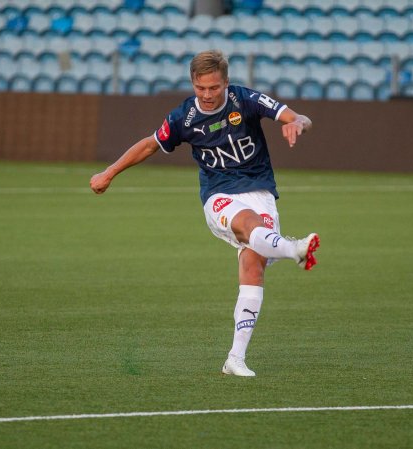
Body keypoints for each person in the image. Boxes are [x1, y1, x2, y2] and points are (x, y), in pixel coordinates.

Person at [89, 50, 320, 377]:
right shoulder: (184, 118)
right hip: (219, 196)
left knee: (254, 265)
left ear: (226, 82)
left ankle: (235, 358)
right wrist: (110, 172)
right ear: (193, 84)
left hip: (260, 192)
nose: (208, 95)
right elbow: (150, 144)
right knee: (249, 226)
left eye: (214, 88)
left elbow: (299, 118)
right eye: (201, 88)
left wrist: (297, 122)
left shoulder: (246, 100)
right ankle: (294, 249)